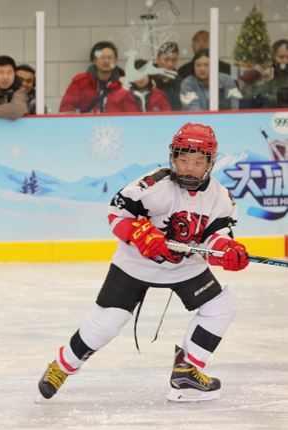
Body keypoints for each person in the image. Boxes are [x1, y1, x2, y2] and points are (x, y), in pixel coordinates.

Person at [38, 123, 247, 404]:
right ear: (173, 157)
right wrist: (137, 233)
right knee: (106, 324)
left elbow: (215, 237)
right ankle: (61, 367)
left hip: (185, 267)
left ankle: (187, 370)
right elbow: (117, 213)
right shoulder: (152, 185)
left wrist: (225, 250)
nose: (188, 168)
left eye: (198, 162)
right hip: (135, 264)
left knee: (221, 306)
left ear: (210, 163)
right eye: (183, 159)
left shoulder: (222, 199)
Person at [59, 41, 124, 113]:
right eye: (102, 57)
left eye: (110, 57)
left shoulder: (124, 84)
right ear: (94, 61)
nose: (106, 61)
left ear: (115, 61)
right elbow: (66, 109)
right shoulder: (80, 82)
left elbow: (133, 113)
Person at [105, 59, 171, 113]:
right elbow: (114, 120)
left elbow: (167, 119)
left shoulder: (160, 95)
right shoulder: (119, 97)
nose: (140, 78)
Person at [237, 39, 288, 108]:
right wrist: (260, 74)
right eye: (281, 57)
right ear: (273, 57)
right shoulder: (266, 73)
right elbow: (247, 98)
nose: (286, 61)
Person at [153, 41, 182, 111]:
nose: (170, 64)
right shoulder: (147, 79)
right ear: (157, 59)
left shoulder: (180, 82)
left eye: (174, 60)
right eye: (166, 60)